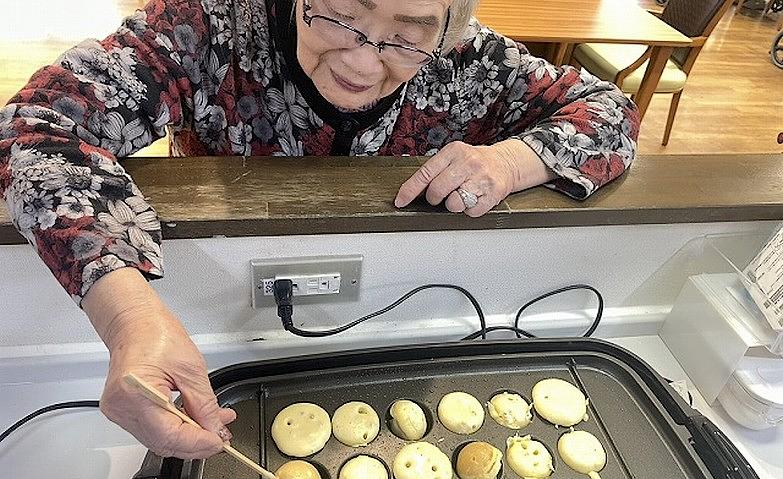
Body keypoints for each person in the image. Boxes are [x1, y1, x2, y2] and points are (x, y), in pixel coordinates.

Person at [0, 0, 638, 460]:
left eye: (406, 36)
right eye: (340, 14)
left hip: (395, 328)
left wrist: (508, 160)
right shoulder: (208, 28)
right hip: (216, 322)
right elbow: (36, 126)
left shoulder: (469, 59)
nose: (364, 60)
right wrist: (128, 318)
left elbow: (610, 111)